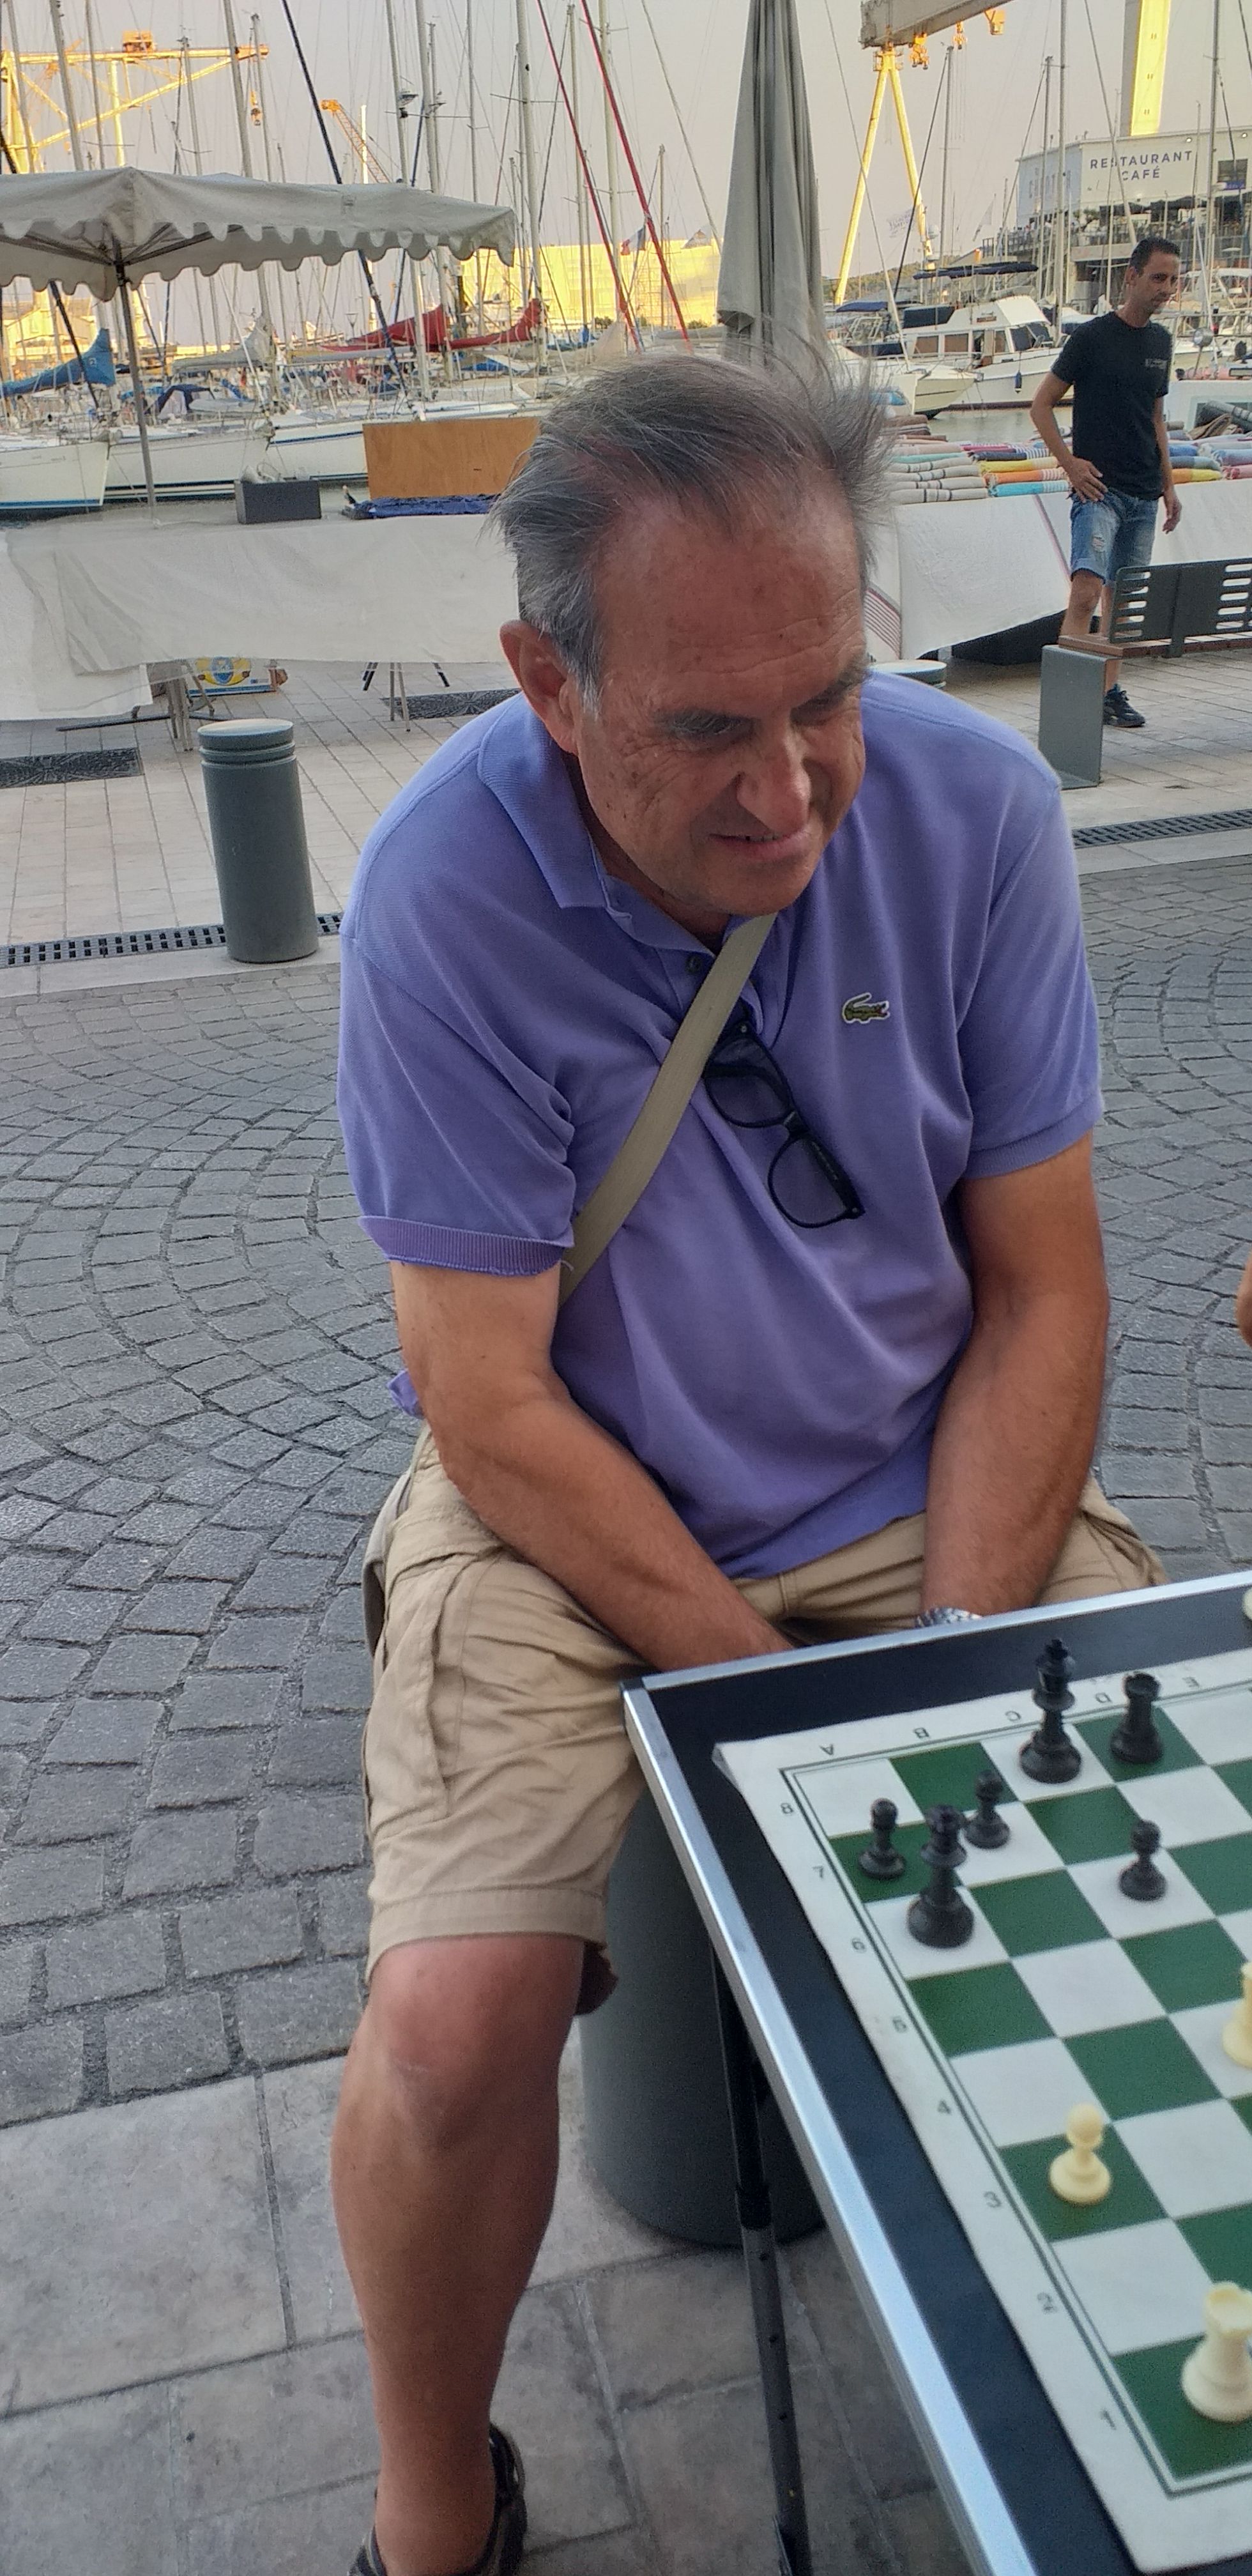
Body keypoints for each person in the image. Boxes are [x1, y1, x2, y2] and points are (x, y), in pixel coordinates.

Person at [330, 354, 1163, 2576]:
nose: (791, 792)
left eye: (826, 699)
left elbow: (1042, 1293)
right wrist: (781, 1721)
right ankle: (436, 2514)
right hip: (565, 1512)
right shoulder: (438, 898)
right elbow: (487, 1401)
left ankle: (1157, 2408)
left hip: (926, 1477)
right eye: (707, 728)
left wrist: (946, 1665)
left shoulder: (978, 820)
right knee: (452, 2027)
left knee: (1159, 1888)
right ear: (547, 685)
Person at [1030, 236, 1182, 731]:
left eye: (1173, 280)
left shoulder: (1161, 343)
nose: (1166, 288)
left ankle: (1107, 694)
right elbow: (1041, 405)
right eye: (1158, 278)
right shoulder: (1092, 338)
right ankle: (1068, 702)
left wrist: (1169, 486)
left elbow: (1156, 418)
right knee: (1086, 593)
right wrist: (1070, 465)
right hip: (1099, 491)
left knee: (1123, 604)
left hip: (1143, 492)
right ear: (1132, 277)